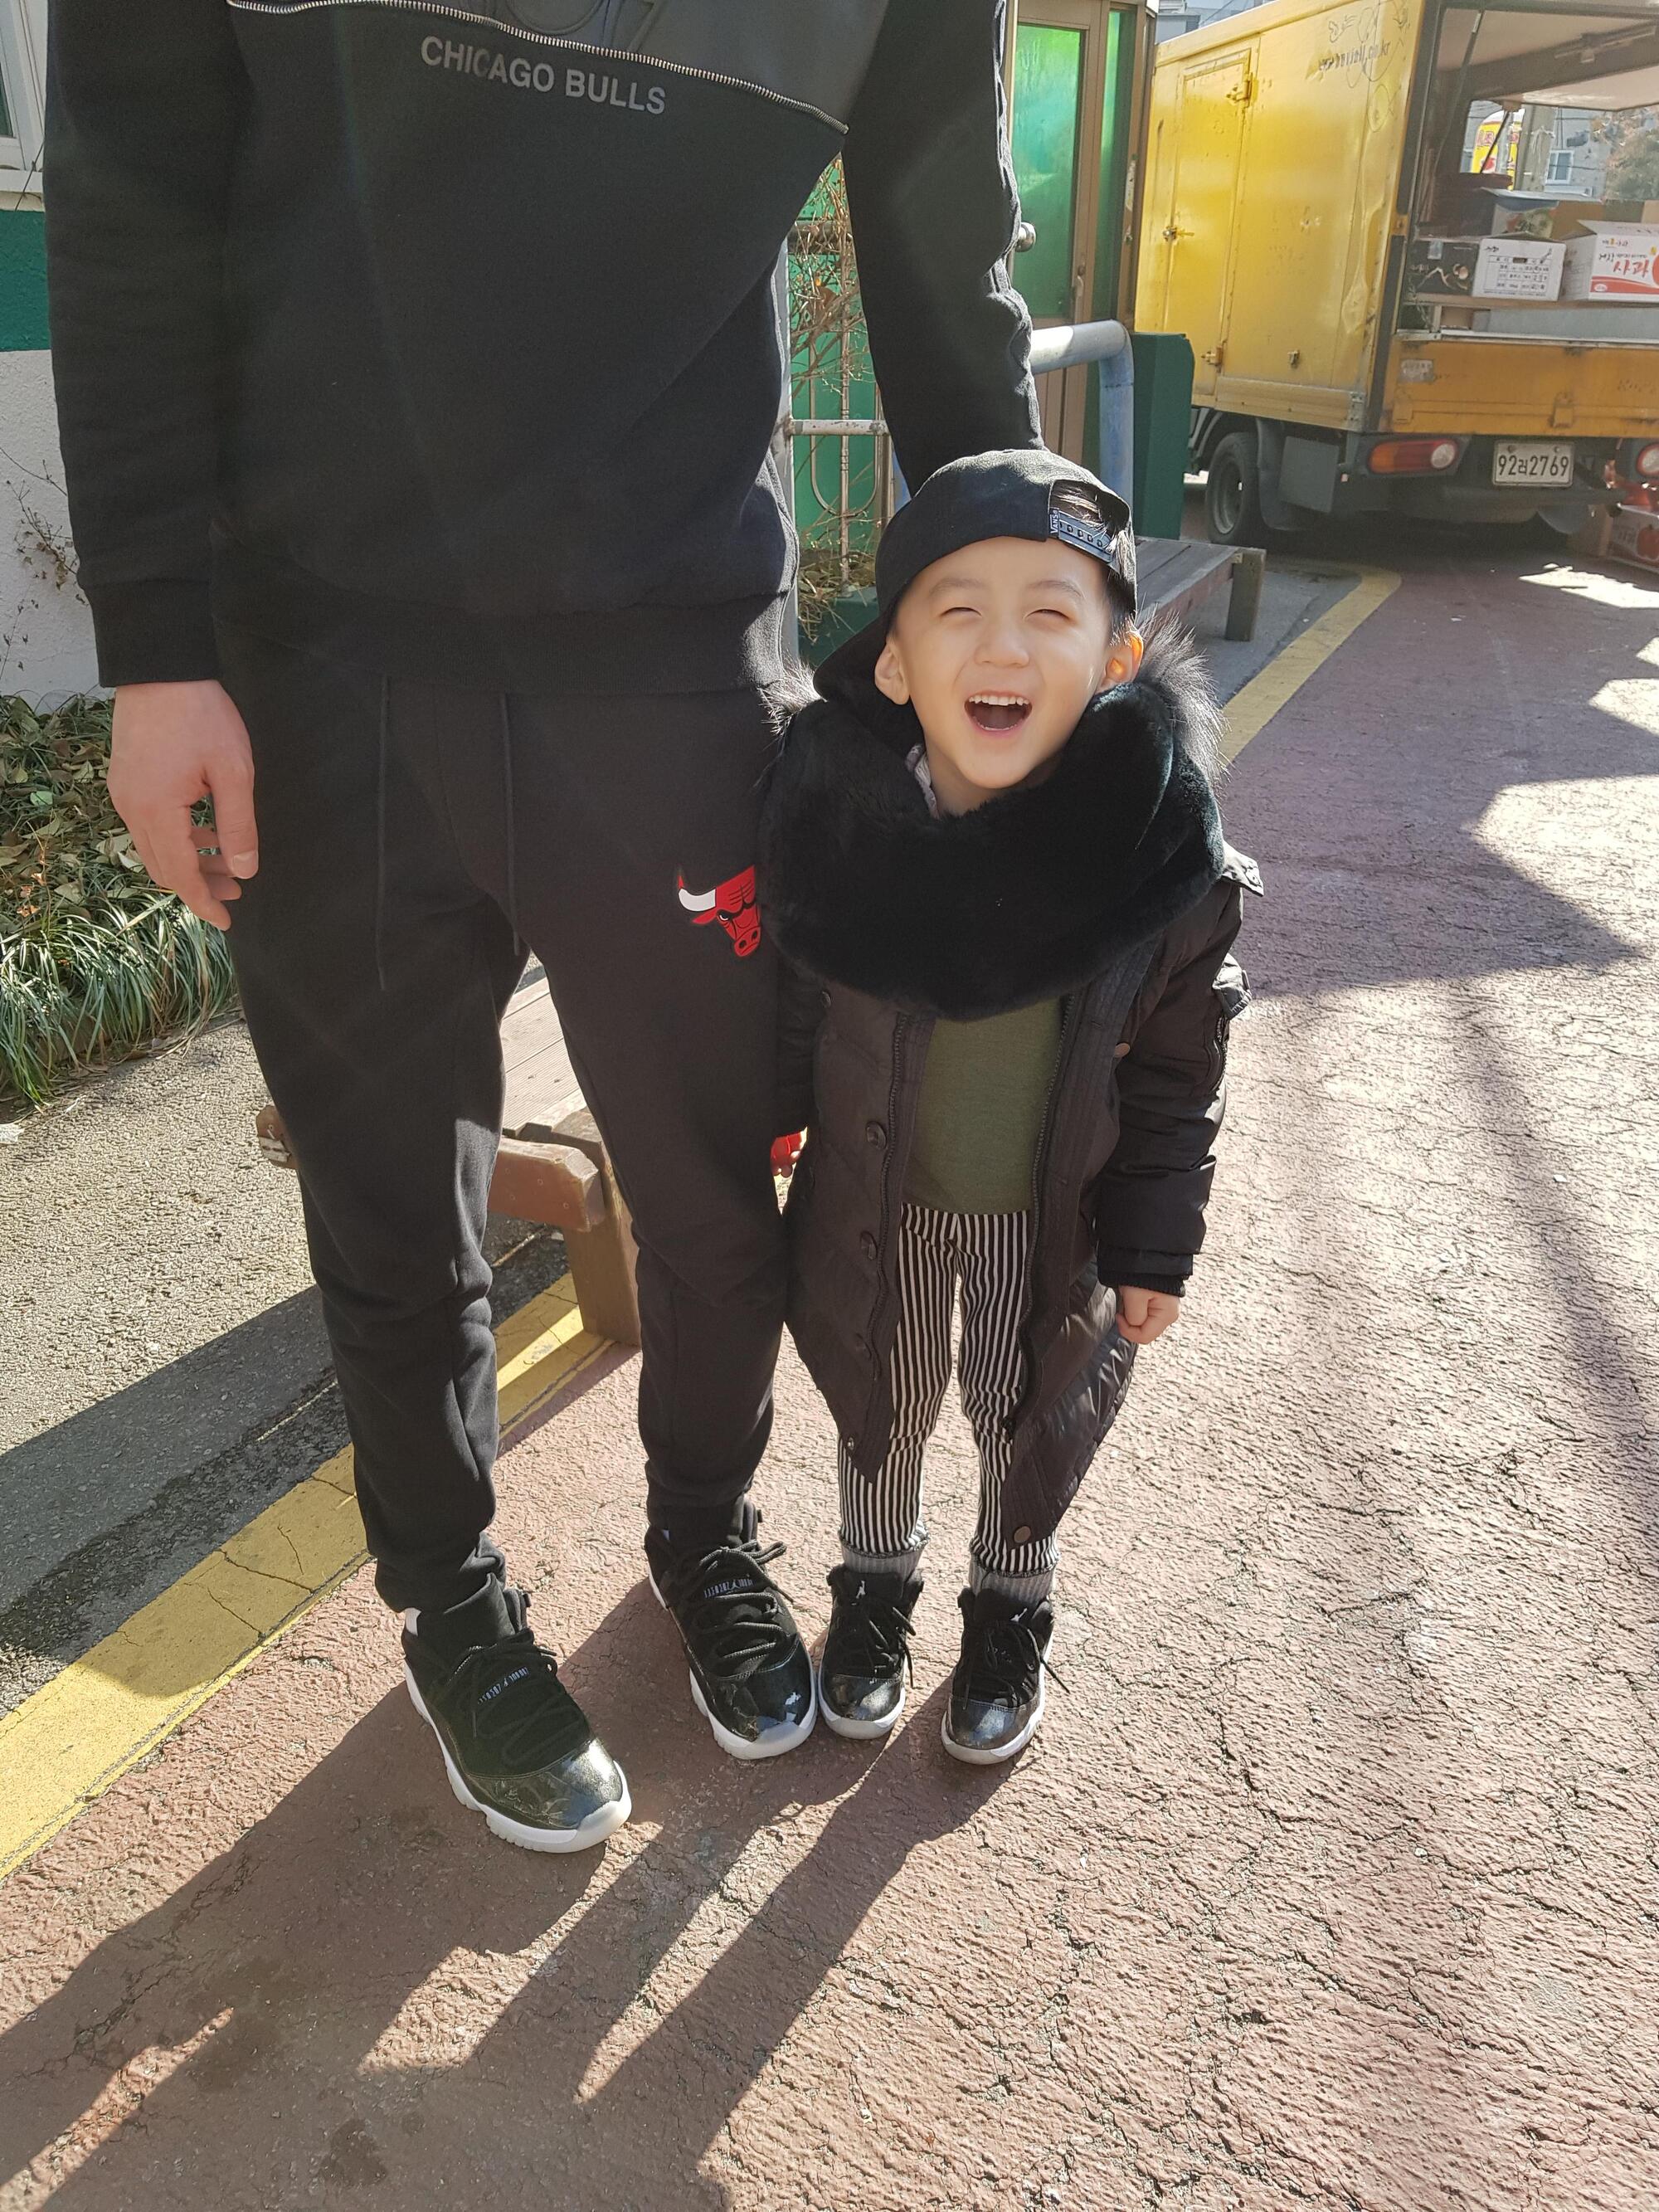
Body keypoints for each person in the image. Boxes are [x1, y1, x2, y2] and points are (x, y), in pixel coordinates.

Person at [43, 0, 1042, 1850]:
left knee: (716, 1188)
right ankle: (449, 1595)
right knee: (386, 1192)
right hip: (313, 662)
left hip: (665, 660)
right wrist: (154, 649)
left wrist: (1017, 649)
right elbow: (132, 183)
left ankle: (701, 1529)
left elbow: (942, 255)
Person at [760, 449, 1260, 1763]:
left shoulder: (1157, 859)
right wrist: (756, 1130)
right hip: (877, 1203)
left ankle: (1009, 1598)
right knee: (883, 1396)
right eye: (957, 608)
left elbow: (1176, 1074)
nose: (1002, 646)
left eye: (1051, 610)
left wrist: (1154, 1246)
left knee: (1022, 1408)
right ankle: (874, 1582)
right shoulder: (843, 832)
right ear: (893, 661)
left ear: (1116, 656)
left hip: (1049, 1222)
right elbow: (795, 1008)